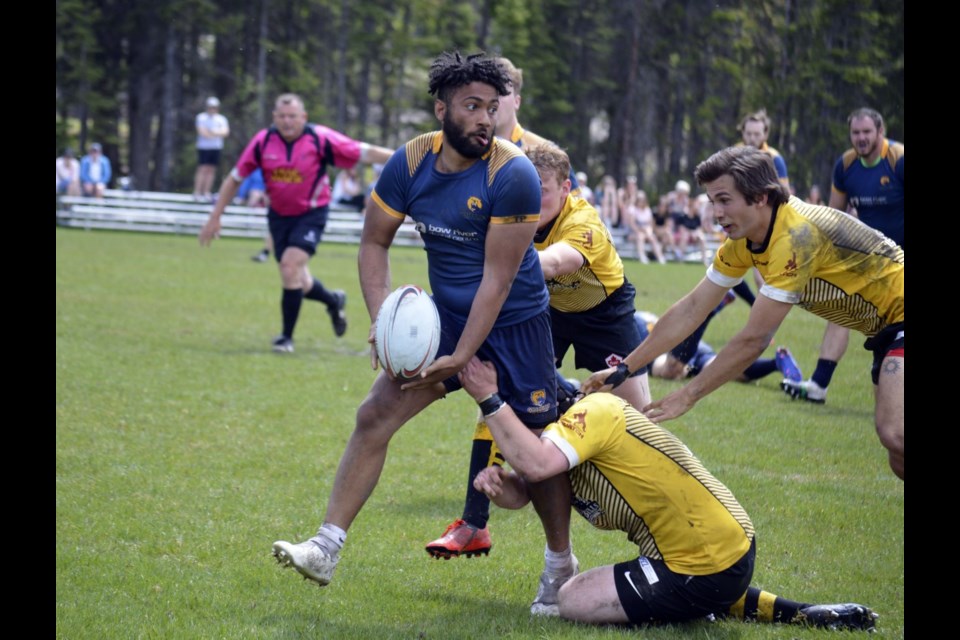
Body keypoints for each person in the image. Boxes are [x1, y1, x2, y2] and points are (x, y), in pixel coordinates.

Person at [270, 52, 574, 615]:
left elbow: (498, 279)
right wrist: (384, 323)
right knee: (375, 412)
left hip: (515, 323)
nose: (486, 118)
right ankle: (325, 547)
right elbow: (373, 244)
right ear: (442, 110)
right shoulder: (411, 161)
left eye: (492, 106)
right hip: (446, 320)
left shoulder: (513, 173)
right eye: (472, 106)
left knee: (538, 450)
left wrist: (461, 358)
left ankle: (560, 566)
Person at [461, 358, 878, 630]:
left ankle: (699, 601)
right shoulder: (560, 444)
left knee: (573, 599)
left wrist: (489, 397)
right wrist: (502, 489)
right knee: (683, 582)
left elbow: (536, 465)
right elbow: (533, 484)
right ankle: (800, 612)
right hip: (716, 552)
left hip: (705, 557)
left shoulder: (594, 412)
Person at [583, 146, 903, 479]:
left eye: (724, 200)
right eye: (712, 202)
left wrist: (689, 395)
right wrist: (624, 369)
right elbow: (692, 308)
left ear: (761, 197)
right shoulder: (744, 239)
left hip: (901, 315)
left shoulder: (796, 236)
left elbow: (755, 339)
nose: (717, 213)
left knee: (894, 431)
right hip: (883, 330)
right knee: (898, 457)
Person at [426, 144, 652, 563]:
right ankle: (473, 522)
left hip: (604, 313)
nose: (533, 200)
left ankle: (653, 516)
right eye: (529, 190)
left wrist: (500, 256)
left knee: (640, 421)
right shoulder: (518, 211)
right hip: (545, 310)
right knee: (496, 392)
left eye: (543, 190)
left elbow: (553, 263)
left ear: (566, 188)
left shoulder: (583, 221)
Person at [199, 93, 394, 352]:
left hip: (311, 215)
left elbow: (364, 152)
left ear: (304, 117)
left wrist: (409, 156)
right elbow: (235, 178)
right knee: (298, 278)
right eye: (282, 116)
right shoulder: (263, 142)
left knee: (290, 267)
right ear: (274, 118)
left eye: (293, 116)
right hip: (278, 216)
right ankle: (333, 300)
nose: (288, 121)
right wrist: (215, 216)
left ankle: (285, 338)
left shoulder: (319, 138)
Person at [782, 107, 904, 405]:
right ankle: (819, 385)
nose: (861, 138)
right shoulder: (846, 166)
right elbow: (834, 217)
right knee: (843, 306)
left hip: (899, 263)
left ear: (880, 132)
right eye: (855, 133)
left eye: (866, 132)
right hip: (868, 258)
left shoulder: (898, 160)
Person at [636, 308, 803, 384]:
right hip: (690, 345)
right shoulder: (640, 315)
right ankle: (775, 362)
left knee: (670, 371)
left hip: (664, 349)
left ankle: (705, 315)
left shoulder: (629, 322)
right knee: (728, 371)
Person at [738, 109, 789, 189]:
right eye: (748, 133)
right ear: (743, 133)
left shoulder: (775, 159)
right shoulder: (733, 155)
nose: (752, 138)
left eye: (757, 134)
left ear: (766, 134)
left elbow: (785, 194)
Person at [193, 97, 230, 202]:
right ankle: (197, 191)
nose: (212, 109)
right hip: (204, 147)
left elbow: (225, 132)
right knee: (203, 168)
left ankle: (206, 191)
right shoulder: (201, 117)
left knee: (211, 169)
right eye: (210, 107)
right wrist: (216, 133)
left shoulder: (221, 119)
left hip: (216, 147)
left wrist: (212, 132)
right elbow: (202, 132)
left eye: (214, 107)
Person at [621, 177, 666, 264]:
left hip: (646, 232)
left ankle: (660, 257)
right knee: (640, 237)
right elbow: (632, 224)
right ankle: (642, 256)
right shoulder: (632, 209)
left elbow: (650, 224)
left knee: (652, 238)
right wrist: (640, 230)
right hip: (633, 233)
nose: (641, 202)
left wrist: (648, 231)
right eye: (639, 200)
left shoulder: (647, 210)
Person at [658, 180, 690, 260]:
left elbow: (686, 212)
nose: (683, 194)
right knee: (668, 234)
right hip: (670, 220)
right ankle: (673, 252)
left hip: (680, 221)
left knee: (684, 234)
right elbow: (666, 209)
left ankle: (680, 255)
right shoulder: (671, 197)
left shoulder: (685, 200)